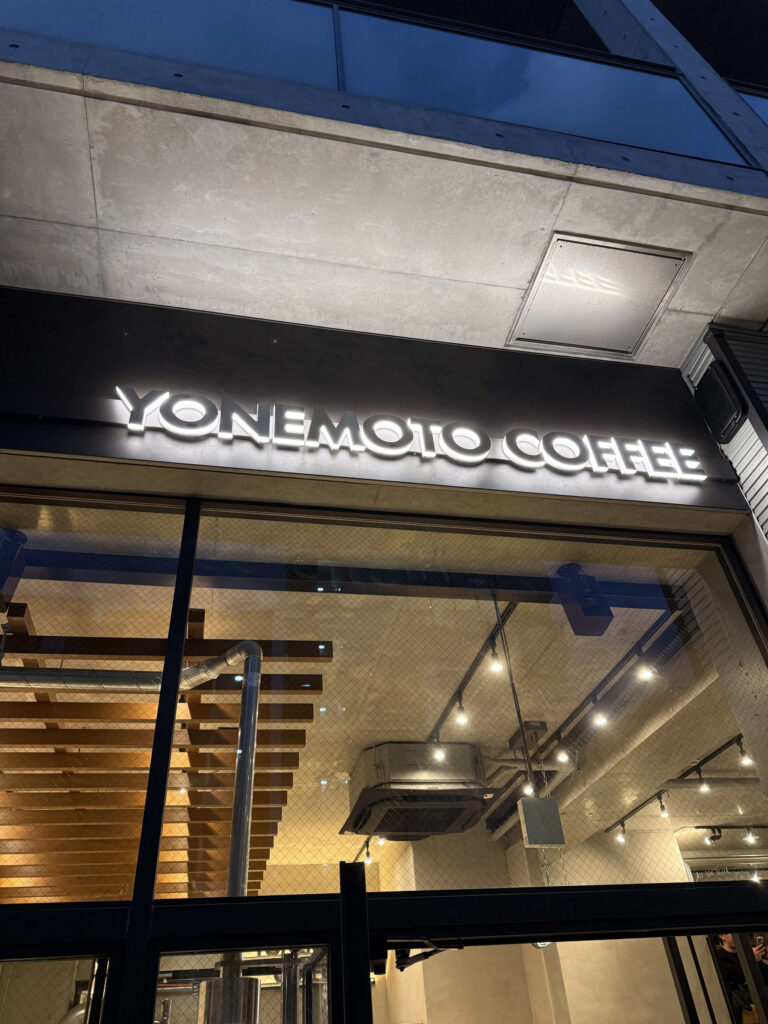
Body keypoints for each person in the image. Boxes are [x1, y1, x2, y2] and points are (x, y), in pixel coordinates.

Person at [713, 933, 768, 1023]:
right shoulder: (719, 957)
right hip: (739, 1004)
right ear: (722, 936)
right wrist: (751, 961)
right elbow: (734, 977)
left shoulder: (748, 953)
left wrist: (758, 960)